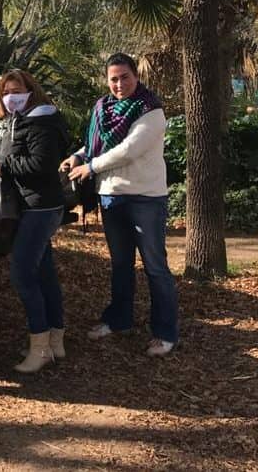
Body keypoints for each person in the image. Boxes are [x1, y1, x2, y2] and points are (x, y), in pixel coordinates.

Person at [61, 53, 178, 357]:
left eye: (124, 77)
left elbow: (129, 149)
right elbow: (98, 142)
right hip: (112, 196)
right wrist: (78, 156)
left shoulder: (150, 110)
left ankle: (165, 332)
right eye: (113, 78)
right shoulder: (103, 108)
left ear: (136, 76)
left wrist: (91, 166)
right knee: (120, 264)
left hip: (146, 198)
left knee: (155, 267)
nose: (119, 84)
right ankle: (119, 320)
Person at [0, 70, 70, 373]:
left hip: (40, 208)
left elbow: (40, 165)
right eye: (5, 92)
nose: (11, 96)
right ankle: (54, 341)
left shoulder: (41, 122)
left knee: (22, 274)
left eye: (16, 90)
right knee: (44, 272)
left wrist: (4, 164)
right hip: (32, 206)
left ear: (30, 90)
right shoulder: (18, 121)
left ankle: (40, 348)